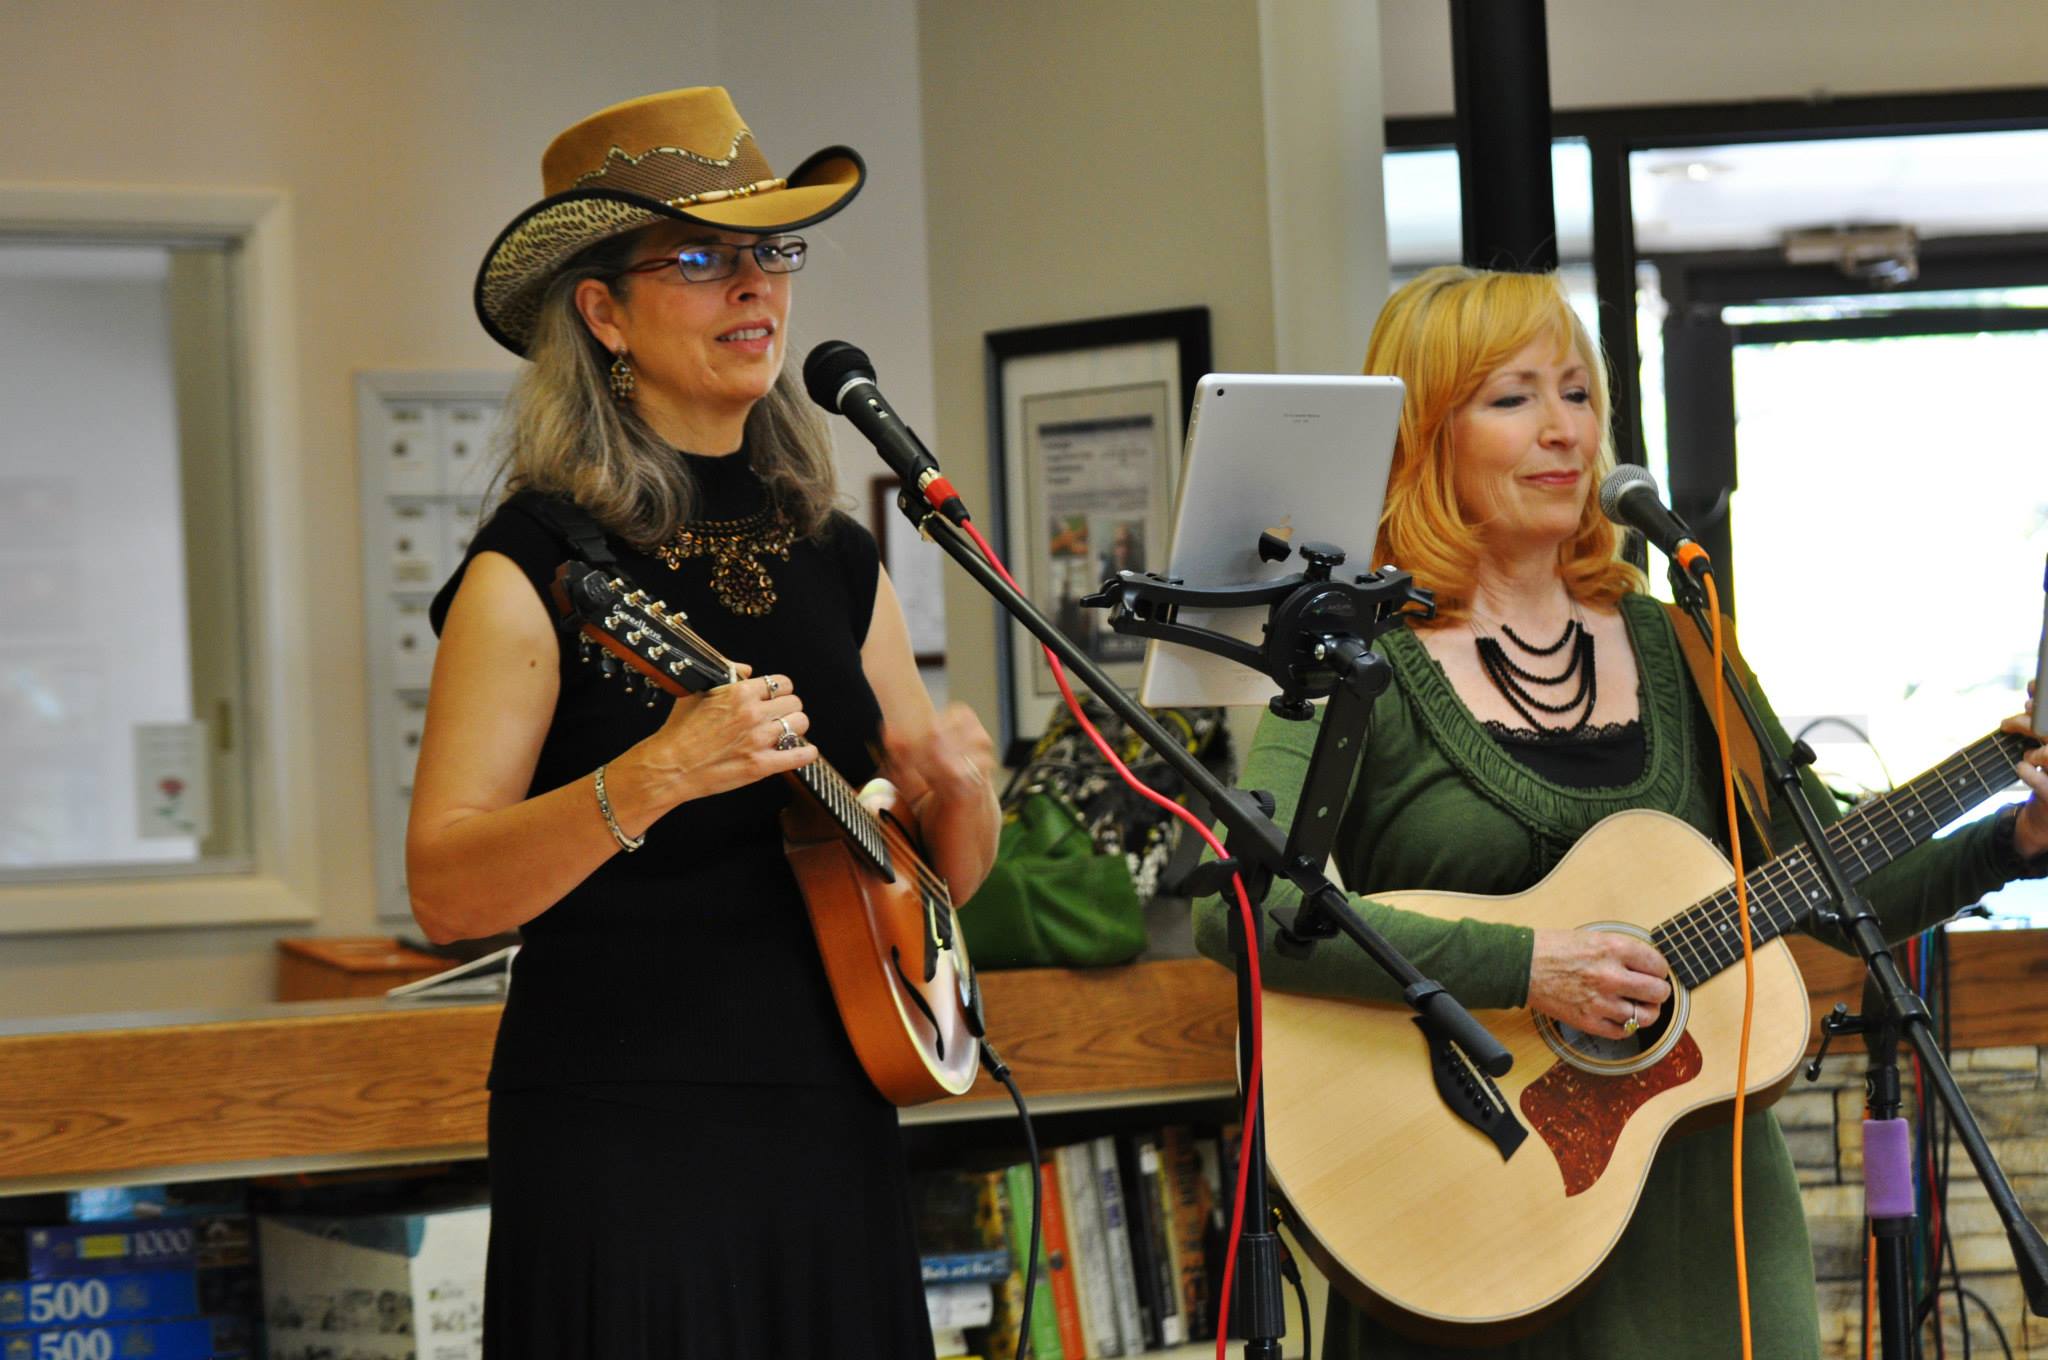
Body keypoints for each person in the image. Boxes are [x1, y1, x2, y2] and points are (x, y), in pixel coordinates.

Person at [1192, 265, 2048, 1358]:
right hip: (1459, 1201)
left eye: (1575, 393)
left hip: (1698, 1226)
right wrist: (1528, 967)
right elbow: (1239, 902)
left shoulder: (1675, 637)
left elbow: (1832, 881)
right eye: (1511, 399)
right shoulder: (1355, 660)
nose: (1562, 432)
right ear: (1421, 437)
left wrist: (2012, 840)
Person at [406, 87, 999, 1360]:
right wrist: (656, 774)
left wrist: (960, 794)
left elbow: (936, 887)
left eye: (768, 254)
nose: (754, 289)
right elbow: (446, 890)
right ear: (601, 310)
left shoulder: (836, 554)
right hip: (629, 1132)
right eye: (700, 258)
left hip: (836, 1109)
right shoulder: (534, 569)